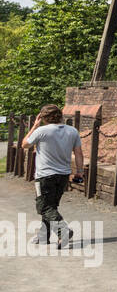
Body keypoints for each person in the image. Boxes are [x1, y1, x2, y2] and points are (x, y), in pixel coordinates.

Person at [21, 105, 83, 248]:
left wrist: (34, 126)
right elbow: (79, 153)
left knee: (44, 207)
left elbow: (24, 144)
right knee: (51, 206)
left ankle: (64, 231)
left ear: (42, 118)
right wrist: (79, 171)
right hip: (63, 175)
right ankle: (44, 236)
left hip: (45, 176)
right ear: (60, 116)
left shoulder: (41, 131)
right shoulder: (72, 131)